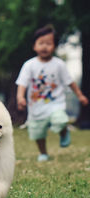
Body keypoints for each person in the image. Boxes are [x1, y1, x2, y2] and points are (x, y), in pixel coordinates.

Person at [16, 25, 89, 162]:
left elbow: (70, 82)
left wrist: (80, 95)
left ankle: (63, 131)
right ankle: (43, 153)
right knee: (38, 132)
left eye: (49, 43)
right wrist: (20, 97)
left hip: (55, 103)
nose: (45, 47)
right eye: (41, 43)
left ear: (54, 46)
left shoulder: (59, 64)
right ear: (34, 46)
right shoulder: (29, 65)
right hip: (36, 106)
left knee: (60, 120)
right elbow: (22, 83)